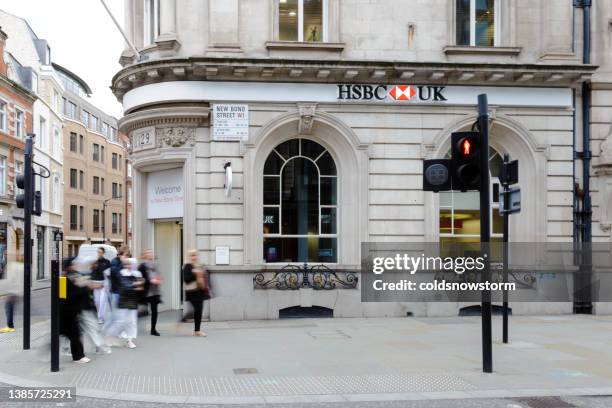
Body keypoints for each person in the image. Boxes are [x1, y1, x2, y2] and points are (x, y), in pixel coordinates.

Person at [105, 258, 143, 348]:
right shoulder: (121, 273)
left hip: (132, 299)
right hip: (123, 299)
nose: (128, 266)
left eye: (130, 264)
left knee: (132, 321)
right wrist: (135, 285)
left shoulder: (137, 273)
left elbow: (140, 287)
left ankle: (129, 340)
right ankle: (109, 336)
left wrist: (137, 285)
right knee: (120, 321)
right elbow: (125, 286)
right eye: (126, 264)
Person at [60, 258, 90, 363]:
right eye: (73, 264)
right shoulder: (63, 278)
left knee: (71, 334)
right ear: (68, 266)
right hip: (67, 313)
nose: (76, 266)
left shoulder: (74, 276)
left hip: (72, 312)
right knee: (75, 334)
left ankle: (78, 355)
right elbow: (64, 296)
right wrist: (83, 288)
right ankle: (78, 356)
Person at [182, 250, 210, 337]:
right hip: (192, 291)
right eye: (192, 255)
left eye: (195, 255)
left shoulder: (200, 266)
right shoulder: (187, 266)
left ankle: (197, 330)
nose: (194, 257)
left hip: (200, 291)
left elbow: (205, 276)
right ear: (189, 257)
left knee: (199, 310)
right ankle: (196, 330)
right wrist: (195, 273)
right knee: (197, 310)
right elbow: (186, 279)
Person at [138, 249, 162, 336]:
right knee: (142, 311)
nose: (151, 254)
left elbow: (158, 275)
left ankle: (153, 329)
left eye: (152, 253)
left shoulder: (155, 265)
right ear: (144, 255)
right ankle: (131, 326)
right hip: (145, 292)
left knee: (154, 311)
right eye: (148, 253)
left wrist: (159, 280)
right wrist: (150, 281)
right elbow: (140, 278)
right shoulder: (142, 266)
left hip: (154, 292)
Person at [91, 247, 111, 323]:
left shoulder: (107, 262)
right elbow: (92, 273)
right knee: (97, 301)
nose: (99, 254)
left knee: (102, 301)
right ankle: (99, 315)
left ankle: (100, 317)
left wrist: (107, 282)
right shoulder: (94, 262)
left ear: (103, 253)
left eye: (101, 252)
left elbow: (109, 273)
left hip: (104, 283)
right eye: (98, 252)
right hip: (96, 283)